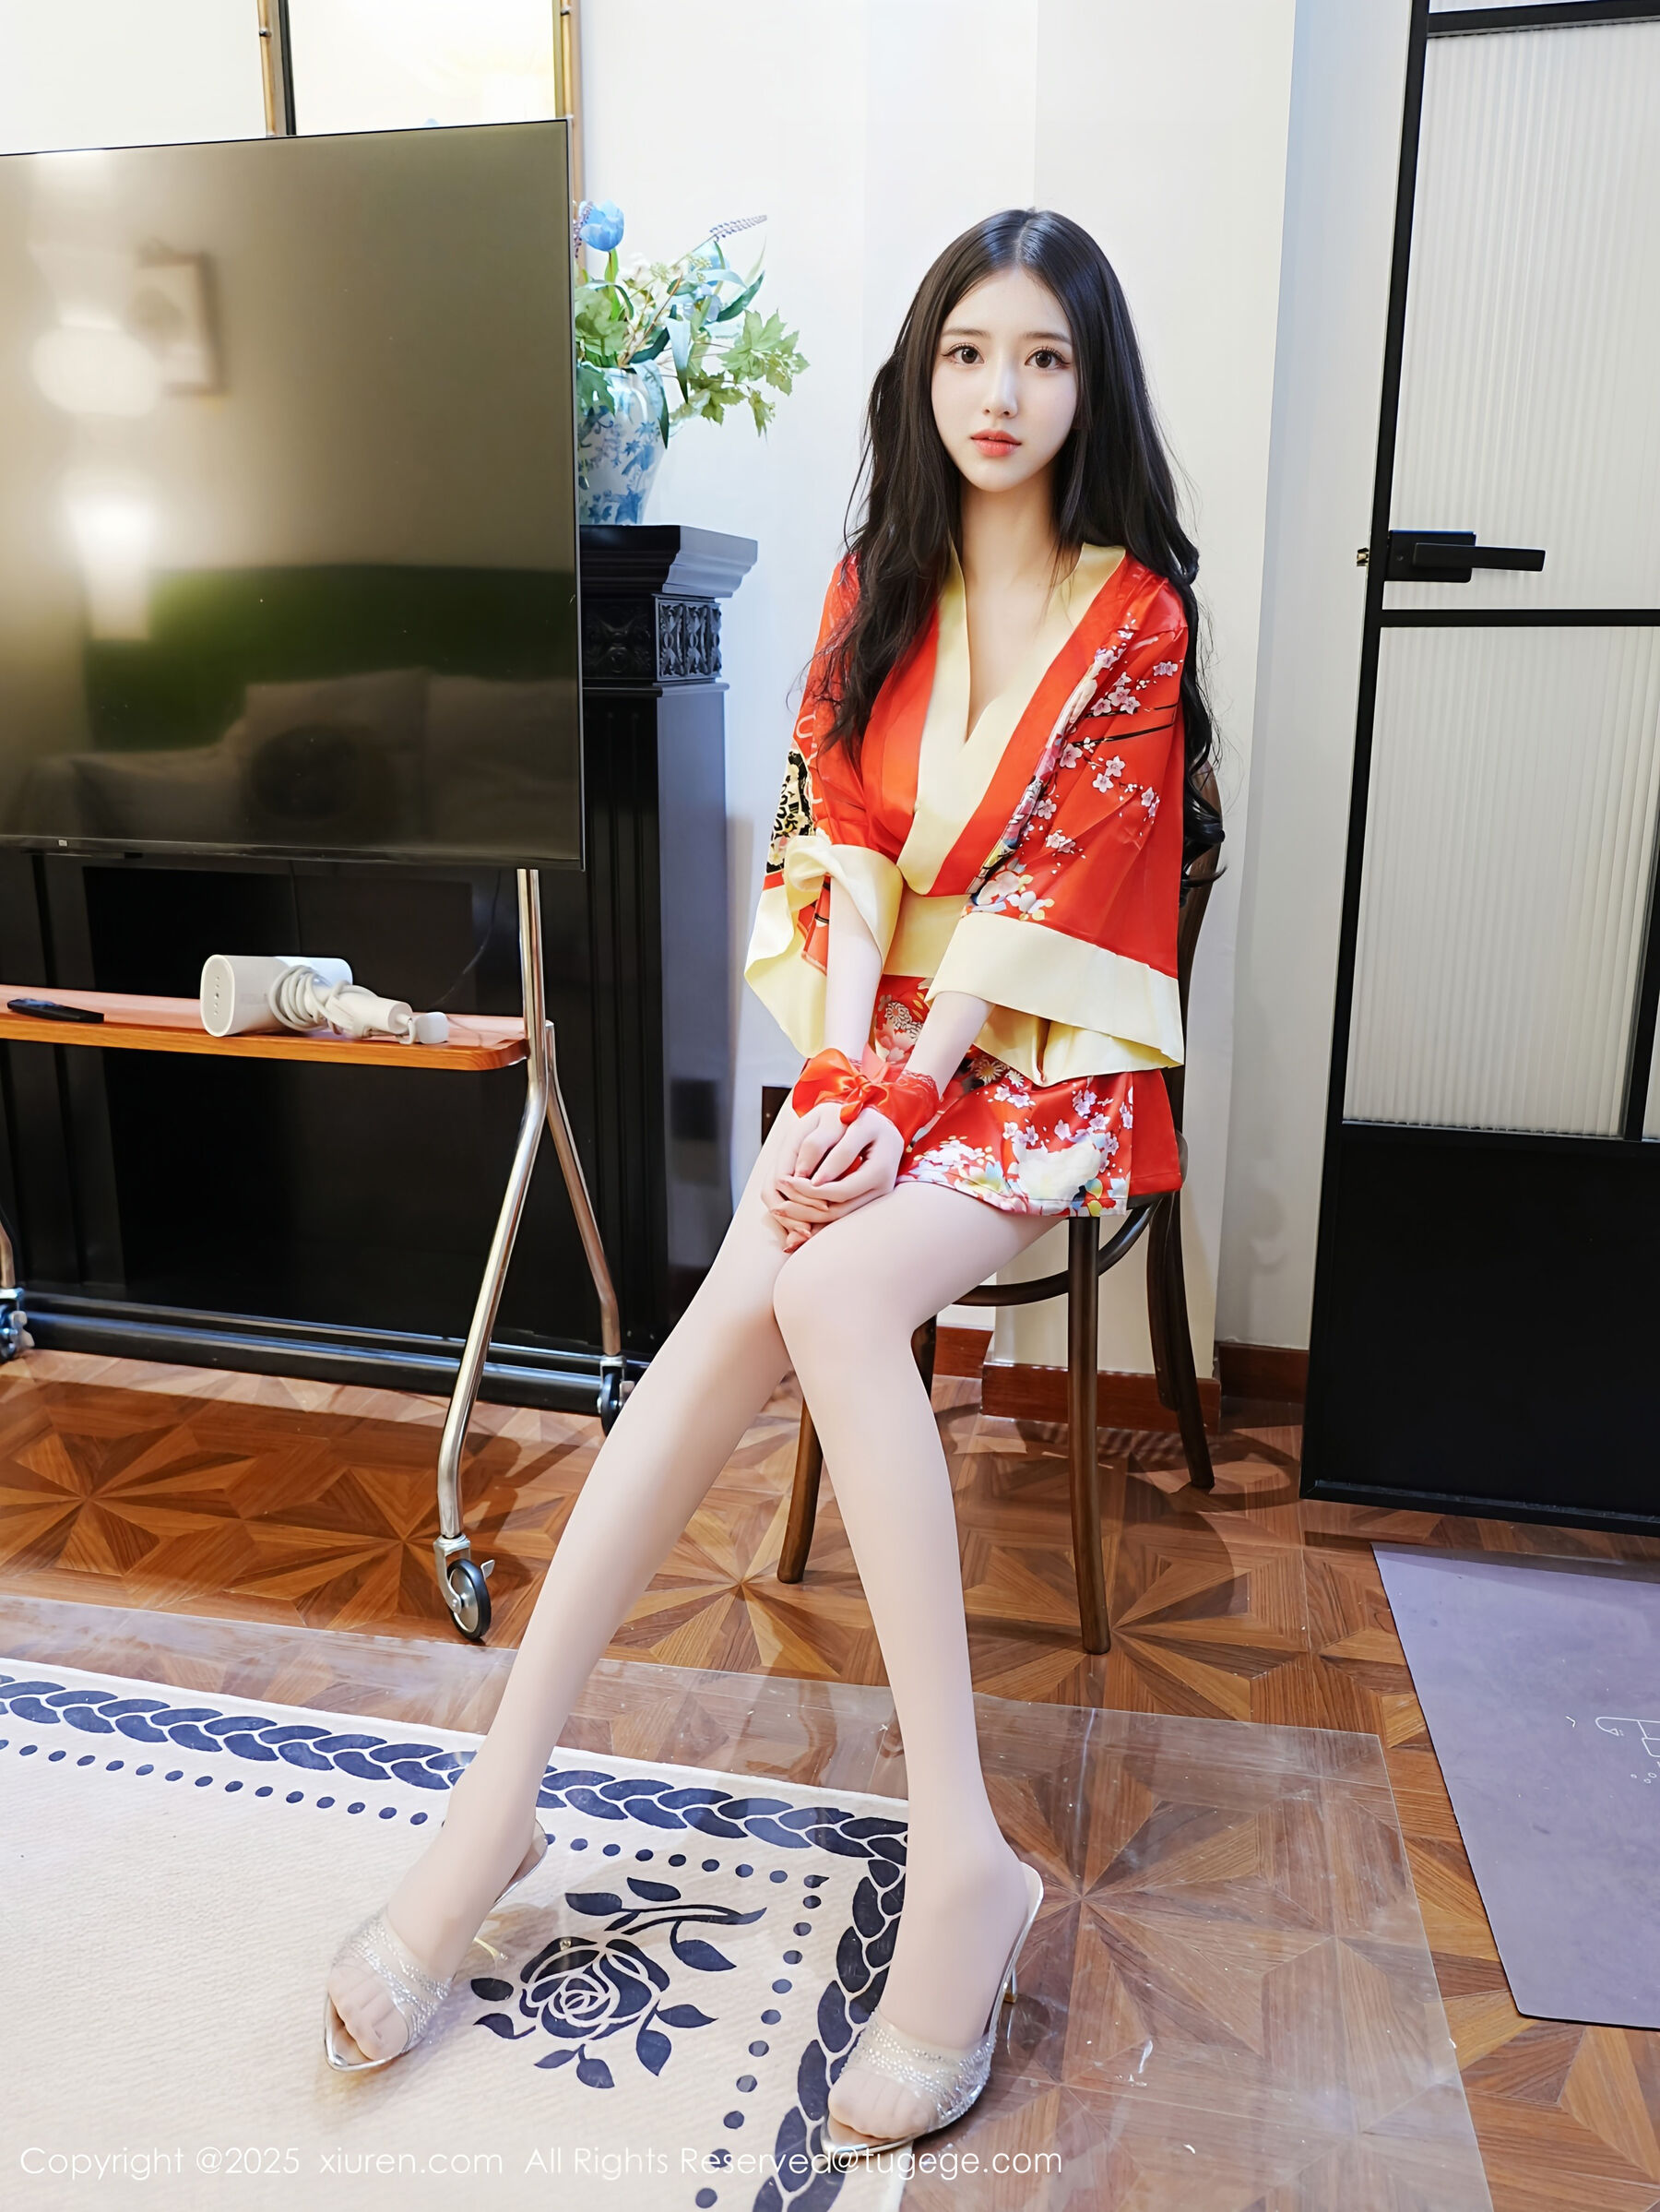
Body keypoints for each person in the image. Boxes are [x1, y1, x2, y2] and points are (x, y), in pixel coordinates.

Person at [322, 205, 1221, 2166]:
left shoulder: (1134, 616)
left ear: (1092, 385)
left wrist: (904, 1089)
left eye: (1045, 356)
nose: (1002, 392)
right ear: (924, 371)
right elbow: (838, 852)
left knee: (817, 1285)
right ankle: (500, 1799)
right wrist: (843, 1088)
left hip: (1041, 1067)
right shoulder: (874, 583)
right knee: (741, 1311)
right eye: (969, 351)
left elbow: (1058, 902)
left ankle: (963, 1859)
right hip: (880, 1059)